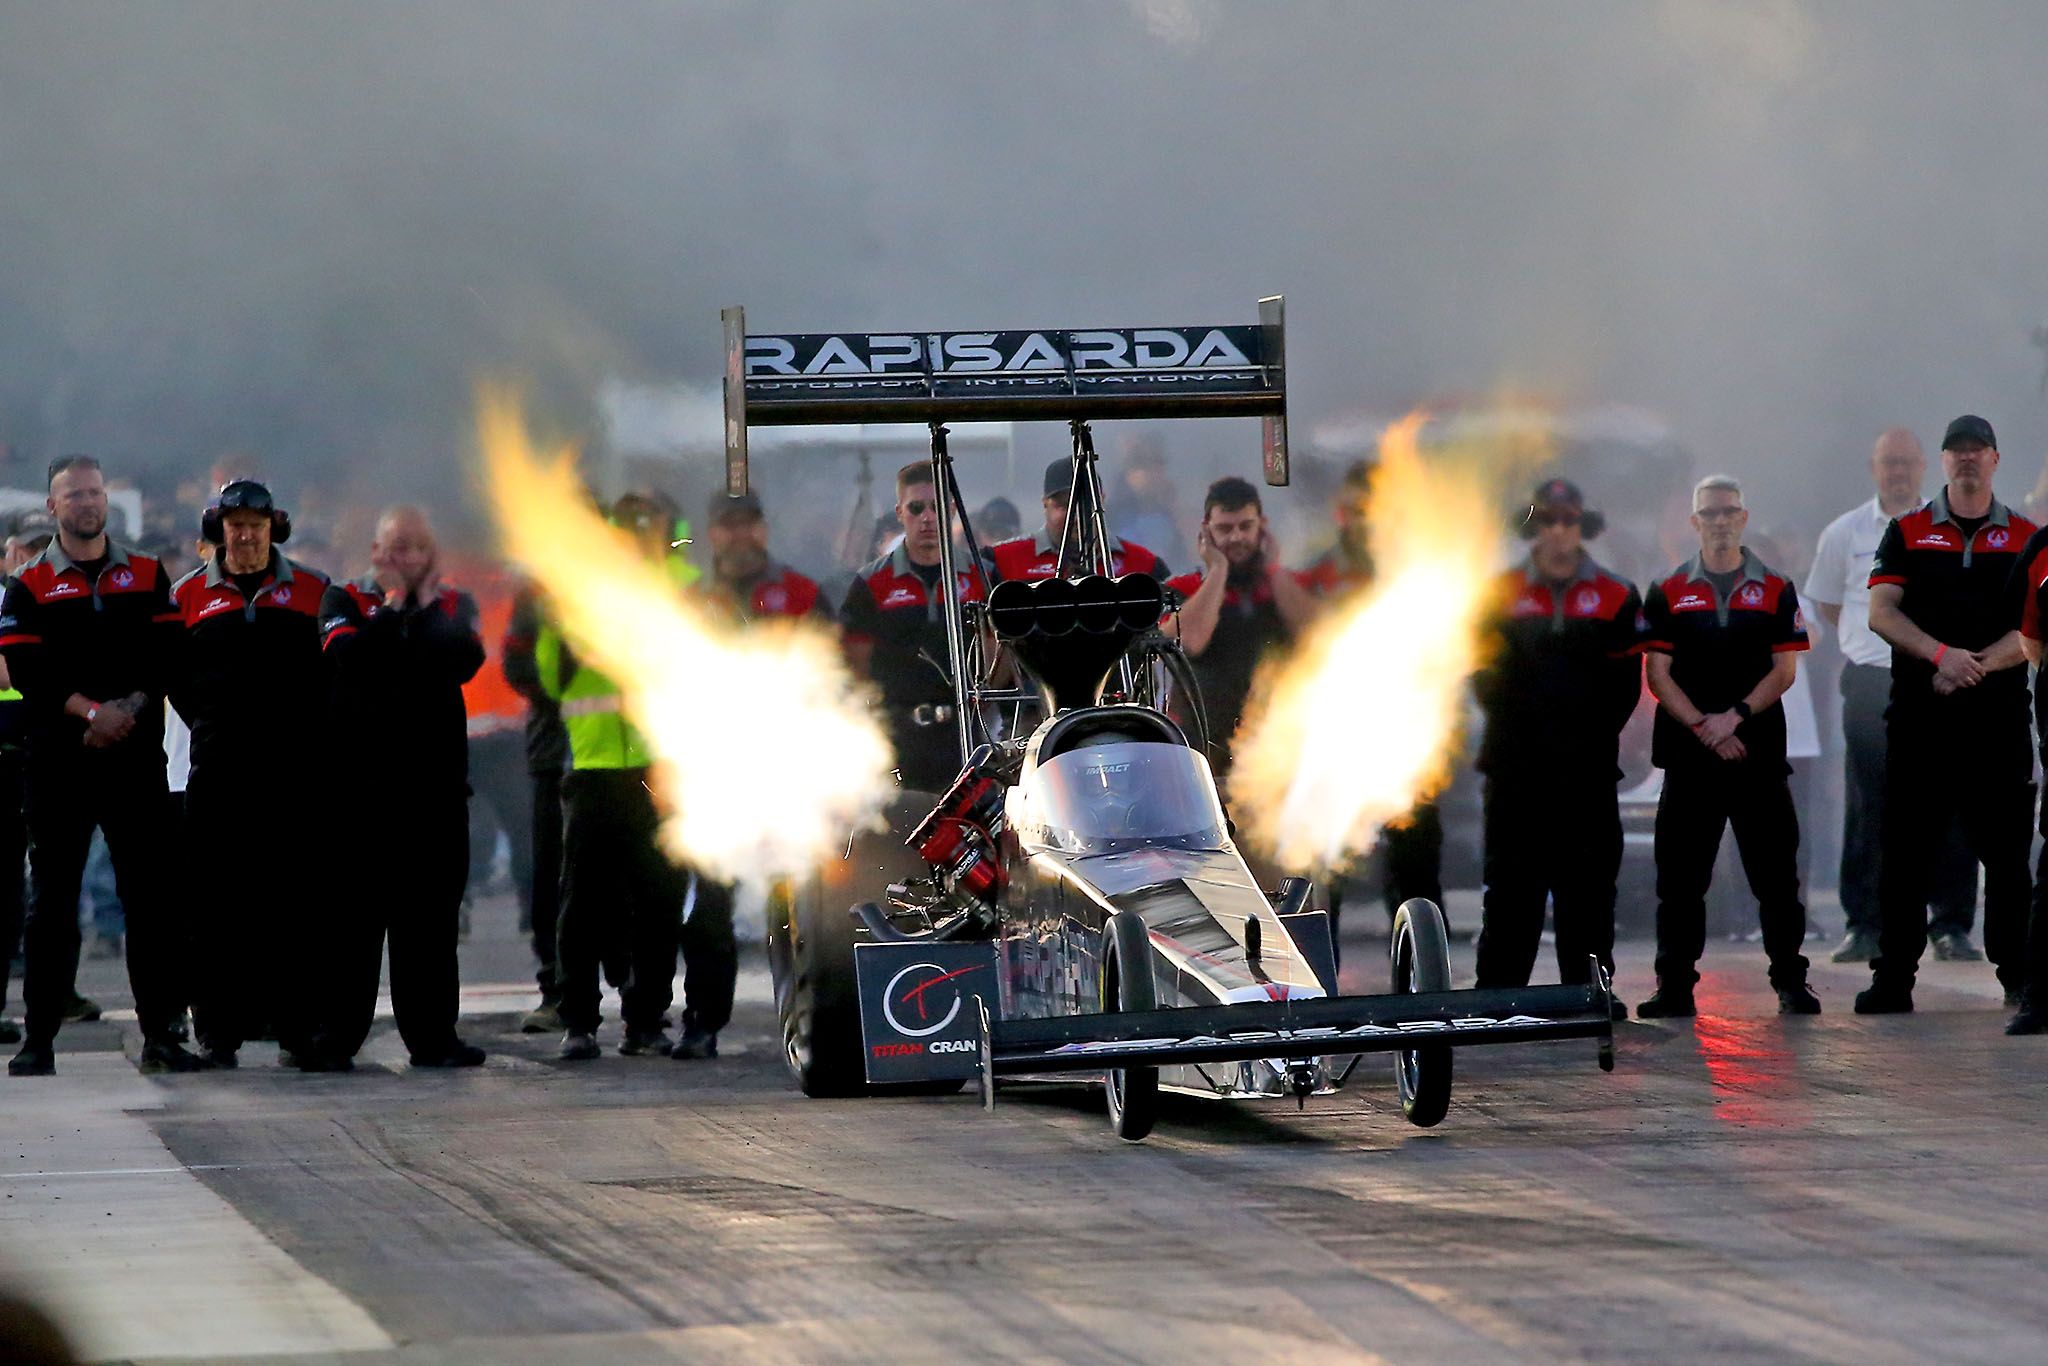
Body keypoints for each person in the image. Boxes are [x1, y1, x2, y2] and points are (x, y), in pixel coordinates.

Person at [1, 456, 203, 1075]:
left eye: (95, 493)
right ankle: (40, 1040)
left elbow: (168, 654)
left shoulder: (146, 574)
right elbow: (26, 670)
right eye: (75, 495)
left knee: (151, 900)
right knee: (52, 904)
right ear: (54, 507)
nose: (88, 503)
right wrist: (90, 713)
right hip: (58, 761)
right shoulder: (28, 584)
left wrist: (130, 708)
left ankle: (162, 1036)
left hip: (132, 756)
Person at [1857, 416, 2039, 1026]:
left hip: (1998, 725)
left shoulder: (2027, 536)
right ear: (1942, 462)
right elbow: (1880, 612)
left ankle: (2020, 978)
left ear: (1994, 459)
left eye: (1976, 451)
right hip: (1920, 721)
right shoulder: (1905, 532)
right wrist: (1940, 655)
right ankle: (1893, 978)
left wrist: (1974, 666)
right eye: (1956, 451)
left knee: (2009, 859)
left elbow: (2037, 629)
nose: (1966, 461)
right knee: (1905, 853)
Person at [1638, 474, 1818, 1017]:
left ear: (1743, 518)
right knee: (1680, 881)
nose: (1719, 521)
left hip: (1757, 757)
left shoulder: (1776, 588)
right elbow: (1657, 673)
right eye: (1709, 514)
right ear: (1695, 523)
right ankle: (1673, 987)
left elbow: (1784, 670)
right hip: (1690, 759)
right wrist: (1704, 726)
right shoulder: (1666, 589)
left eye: (1729, 512)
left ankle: (1791, 981)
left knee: (1777, 879)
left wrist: (1734, 718)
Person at [316, 506, 487, 1068]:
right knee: (352, 925)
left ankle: (434, 1038)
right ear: (375, 553)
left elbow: (462, 660)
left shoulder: (455, 605)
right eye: (397, 547)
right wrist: (392, 609)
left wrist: (421, 608)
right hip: (359, 799)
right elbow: (350, 660)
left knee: (430, 928)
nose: (407, 558)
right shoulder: (341, 600)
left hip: (434, 799)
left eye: (418, 547)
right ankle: (338, 1036)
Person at [169, 480, 330, 1068]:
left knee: (296, 903)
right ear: (219, 529)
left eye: (255, 526)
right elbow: (174, 677)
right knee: (215, 905)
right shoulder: (186, 596)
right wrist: (216, 726)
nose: (245, 535)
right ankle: (217, 1030)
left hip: (294, 776)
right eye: (234, 524)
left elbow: (331, 674)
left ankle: (298, 1029)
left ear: (273, 529)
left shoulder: (313, 590)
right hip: (218, 773)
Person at [1806, 429, 1979, 964]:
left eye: (1907, 462)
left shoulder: (1948, 526)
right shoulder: (1845, 532)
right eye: (1889, 463)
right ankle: (1865, 925)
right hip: (1873, 680)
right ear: (1873, 467)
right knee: (1869, 804)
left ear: (1925, 466)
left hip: (1938, 677)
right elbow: (1830, 605)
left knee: (1950, 802)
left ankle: (1950, 925)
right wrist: (1871, 644)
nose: (1899, 472)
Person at [1470, 479, 1642, 1012]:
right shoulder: (1498, 592)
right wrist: (1526, 729)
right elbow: (1481, 675)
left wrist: (1583, 737)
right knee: (1510, 888)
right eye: (1546, 520)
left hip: (1587, 770)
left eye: (1568, 520)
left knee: (1588, 889)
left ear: (1581, 525)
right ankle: (1497, 998)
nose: (1558, 531)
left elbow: (1625, 686)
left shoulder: (1617, 594)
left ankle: (1589, 992)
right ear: (1533, 528)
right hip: (1515, 768)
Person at [677, 491, 828, 1059]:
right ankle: (703, 1020)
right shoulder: (691, 601)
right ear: (712, 533)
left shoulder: (800, 593)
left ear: (763, 528)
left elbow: (833, 671)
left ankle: (810, 1017)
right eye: (727, 526)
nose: (739, 536)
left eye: (748, 525)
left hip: (789, 764)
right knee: (709, 904)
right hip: (715, 769)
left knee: (799, 898)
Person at [542, 493, 692, 1060]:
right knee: (581, 905)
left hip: (657, 770)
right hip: (594, 769)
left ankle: (646, 1020)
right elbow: (549, 677)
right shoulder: (576, 599)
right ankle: (577, 1021)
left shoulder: (671, 597)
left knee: (658, 902)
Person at [1300, 462, 1444, 931]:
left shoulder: (1416, 571)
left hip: (1402, 737)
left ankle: (1426, 985)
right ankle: (1320, 987)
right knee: (1325, 873)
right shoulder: (1317, 574)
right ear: (1342, 513)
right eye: (1356, 509)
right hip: (1336, 736)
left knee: (1415, 871)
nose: (1366, 520)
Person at [841, 463, 990, 791]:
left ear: (952, 510)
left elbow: (1001, 653)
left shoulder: (982, 576)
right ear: (899, 513)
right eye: (916, 508)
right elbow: (856, 669)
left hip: (969, 736)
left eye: (937, 507)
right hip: (900, 743)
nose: (927, 517)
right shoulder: (871, 583)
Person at [1160, 476, 1316, 776]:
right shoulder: (1184, 589)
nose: (1236, 538)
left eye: (1246, 526)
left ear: (1262, 526)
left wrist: (1273, 570)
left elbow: (1321, 637)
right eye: (1224, 529)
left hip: (1281, 749)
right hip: (1203, 754)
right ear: (1207, 530)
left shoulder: (1288, 588)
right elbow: (1189, 642)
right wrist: (1218, 569)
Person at [501, 575, 571, 1034]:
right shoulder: (535, 593)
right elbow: (515, 662)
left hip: (624, 759)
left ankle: (635, 997)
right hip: (552, 753)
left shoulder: (620, 578)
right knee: (547, 877)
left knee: (625, 886)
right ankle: (556, 992)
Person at [986, 459, 1171, 582]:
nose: (1075, 517)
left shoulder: (1145, 565)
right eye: (1064, 505)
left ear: (1102, 500)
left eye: (1084, 503)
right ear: (1045, 504)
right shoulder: (999, 562)